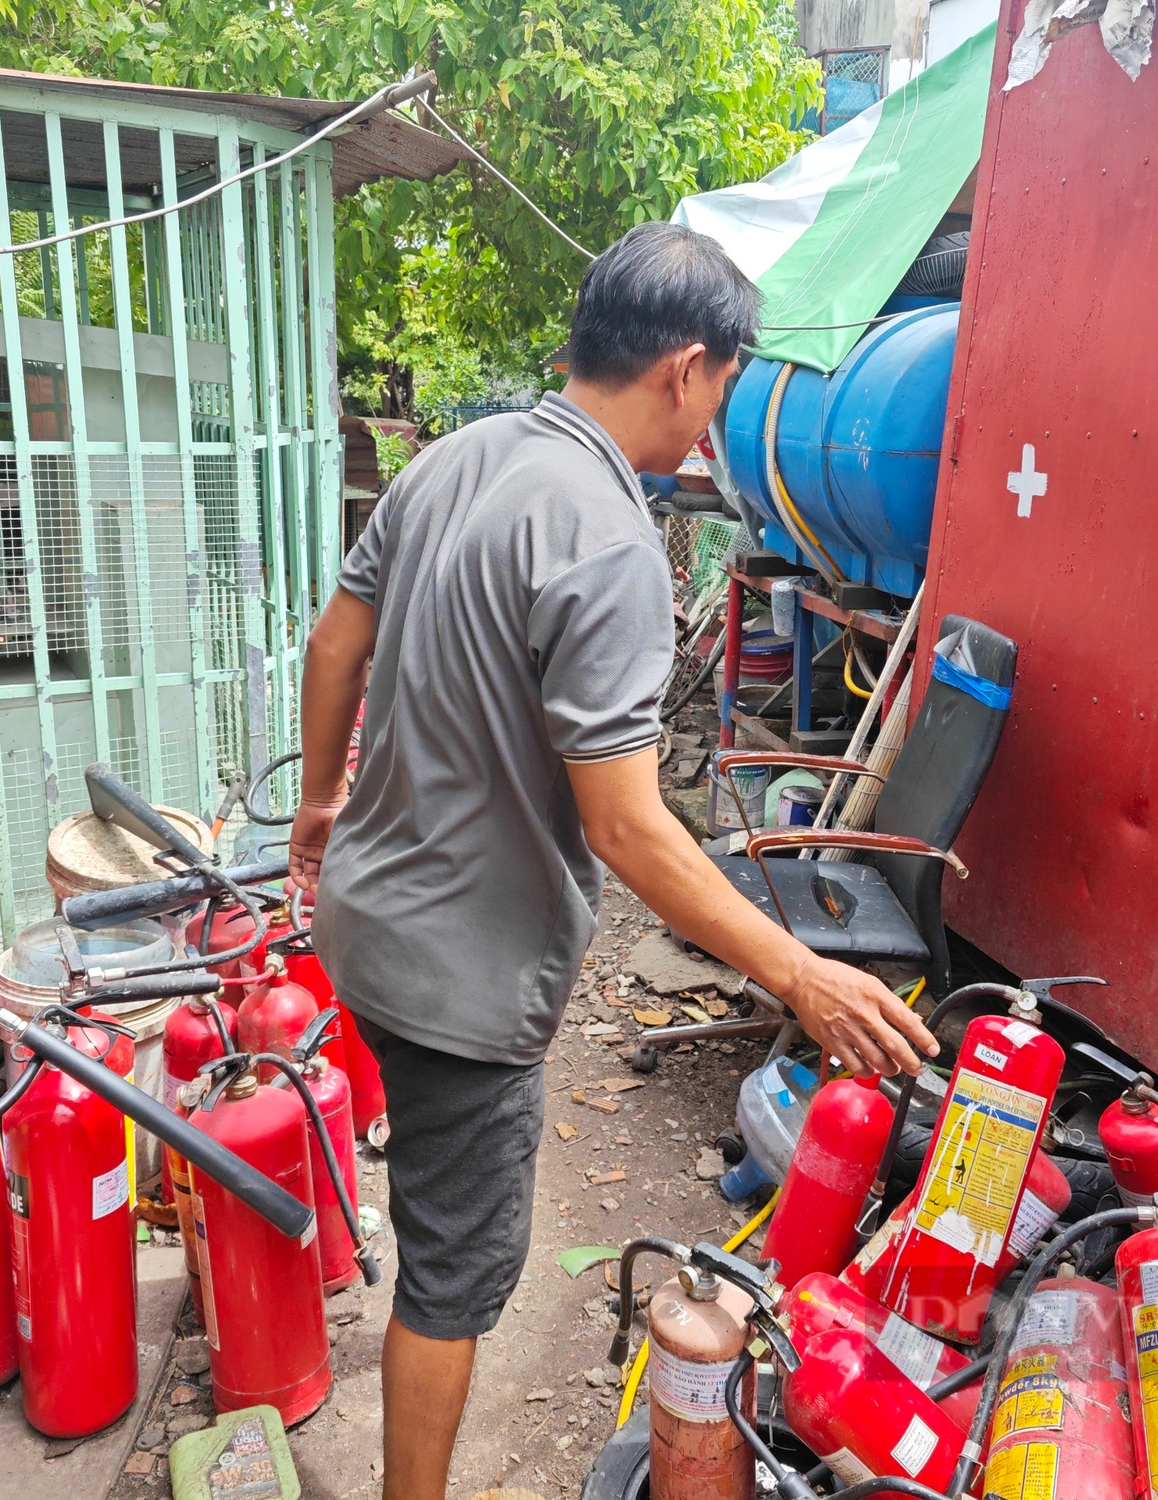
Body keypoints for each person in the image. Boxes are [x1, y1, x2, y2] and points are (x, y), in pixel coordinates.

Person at [287, 221, 938, 1500]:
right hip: (461, 982)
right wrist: (800, 975)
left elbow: (331, 647)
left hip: (365, 923)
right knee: (452, 1278)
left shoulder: (454, 457)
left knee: (431, 1204)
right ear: (685, 368)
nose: (714, 422)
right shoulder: (608, 539)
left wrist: (319, 802)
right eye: (726, 390)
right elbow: (628, 827)